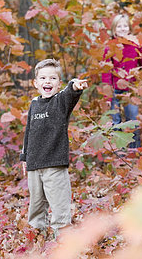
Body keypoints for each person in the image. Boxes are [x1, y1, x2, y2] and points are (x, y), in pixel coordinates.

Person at [19, 59, 88, 238]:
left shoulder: (60, 102)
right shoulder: (34, 104)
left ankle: (62, 239)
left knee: (59, 205)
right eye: (42, 78)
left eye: (52, 78)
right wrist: (24, 157)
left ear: (59, 84)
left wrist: (75, 85)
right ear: (36, 83)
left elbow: (70, 93)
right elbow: (29, 132)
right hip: (34, 165)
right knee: (36, 205)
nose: (47, 81)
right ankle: (36, 235)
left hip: (54, 164)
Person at [102, 14, 142, 148]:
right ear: (114, 29)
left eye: (125, 26)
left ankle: (133, 151)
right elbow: (106, 73)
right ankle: (118, 153)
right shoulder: (110, 47)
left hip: (131, 89)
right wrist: (107, 95)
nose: (122, 29)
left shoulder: (135, 45)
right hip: (115, 90)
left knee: (133, 121)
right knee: (115, 122)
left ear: (129, 28)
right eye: (119, 26)